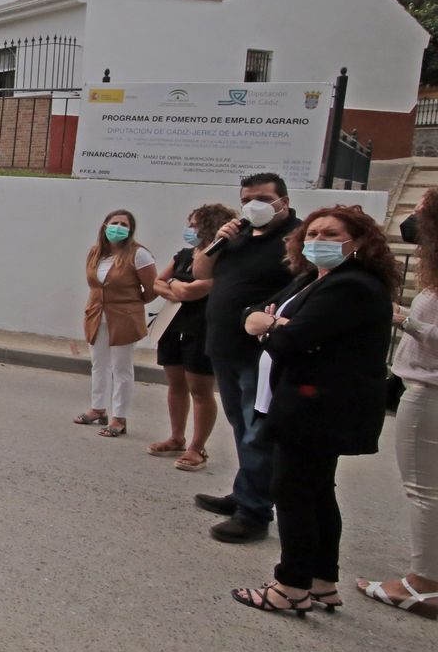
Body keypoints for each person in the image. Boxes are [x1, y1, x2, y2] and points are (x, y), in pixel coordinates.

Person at [231, 205, 397, 616]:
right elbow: (251, 311)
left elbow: (292, 339)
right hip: (305, 400)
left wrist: (268, 326)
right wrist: (265, 322)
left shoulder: (353, 286)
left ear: (357, 241)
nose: (317, 241)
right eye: (313, 233)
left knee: (293, 492)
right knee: (317, 491)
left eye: (330, 234)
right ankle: (322, 581)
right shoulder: (312, 280)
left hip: (320, 406)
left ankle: (290, 586)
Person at [190, 172, 302, 543]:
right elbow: (201, 273)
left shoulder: (295, 239)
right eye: (247, 198)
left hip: (260, 351)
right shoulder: (237, 237)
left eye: (263, 198)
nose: (254, 205)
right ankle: (244, 494)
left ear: (283, 201)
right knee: (241, 427)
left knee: (257, 433)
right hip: (224, 346)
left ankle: (254, 513)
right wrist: (219, 242)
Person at [360, 190, 438, 618]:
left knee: (423, 489)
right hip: (426, 387)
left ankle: (423, 583)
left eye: (420, 212)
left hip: (429, 391)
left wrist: (404, 319)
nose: (412, 219)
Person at [149, 203, 235, 472]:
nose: (190, 229)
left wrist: (174, 285)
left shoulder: (221, 260)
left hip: (202, 328)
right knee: (175, 384)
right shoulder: (184, 255)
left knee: (200, 390)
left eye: (195, 225)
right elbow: (155, 283)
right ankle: (177, 437)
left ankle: (197, 447)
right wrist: (178, 286)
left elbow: (193, 292)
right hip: (172, 326)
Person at [76, 210, 156, 438]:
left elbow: (151, 289)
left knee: (121, 368)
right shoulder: (95, 252)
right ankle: (97, 408)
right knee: (98, 364)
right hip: (96, 315)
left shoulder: (138, 254)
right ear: (104, 226)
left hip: (124, 318)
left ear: (131, 230)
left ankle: (119, 417)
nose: (119, 227)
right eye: (115, 223)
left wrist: (130, 304)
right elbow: (94, 285)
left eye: (124, 224)